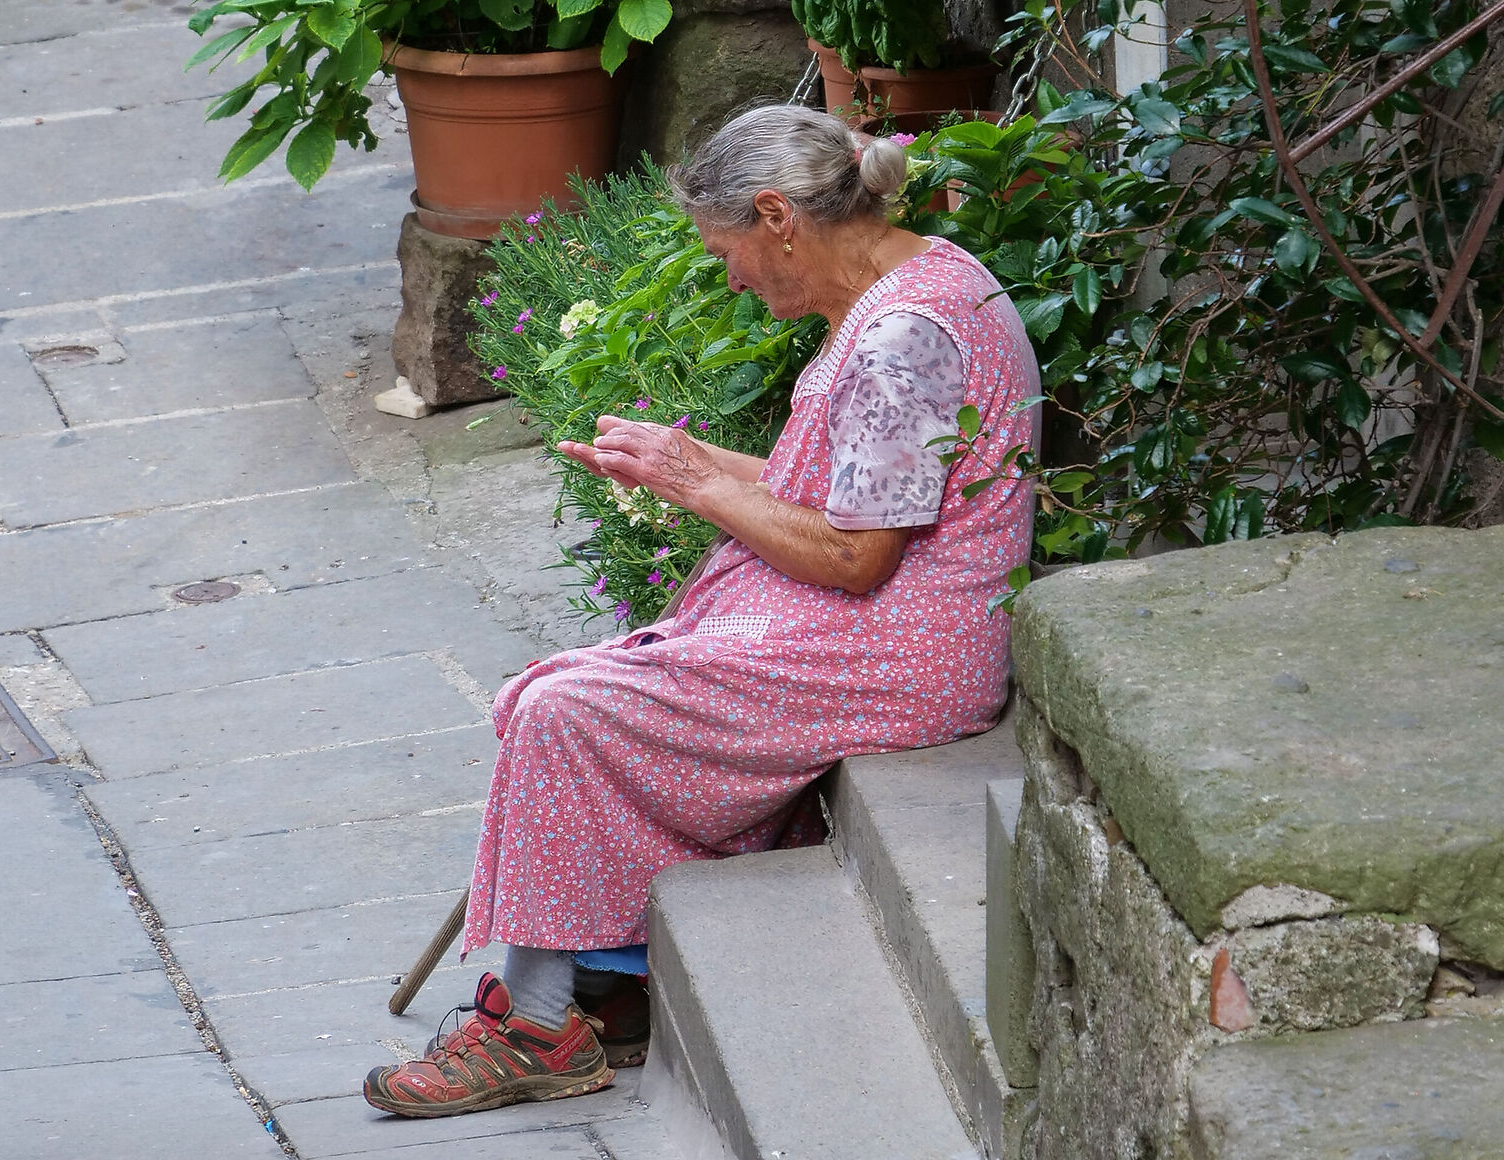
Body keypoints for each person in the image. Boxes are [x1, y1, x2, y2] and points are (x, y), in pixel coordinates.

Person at [363, 104, 1041, 1116]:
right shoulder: (917, 285)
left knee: (569, 712)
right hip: (889, 626)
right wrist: (683, 462)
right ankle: (610, 983)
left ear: (778, 217)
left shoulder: (906, 332)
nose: (727, 274)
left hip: (905, 651)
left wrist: (697, 482)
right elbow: (853, 492)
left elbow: (856, 554)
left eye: (725, 249)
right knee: (586, 694)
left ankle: (542, 1026)